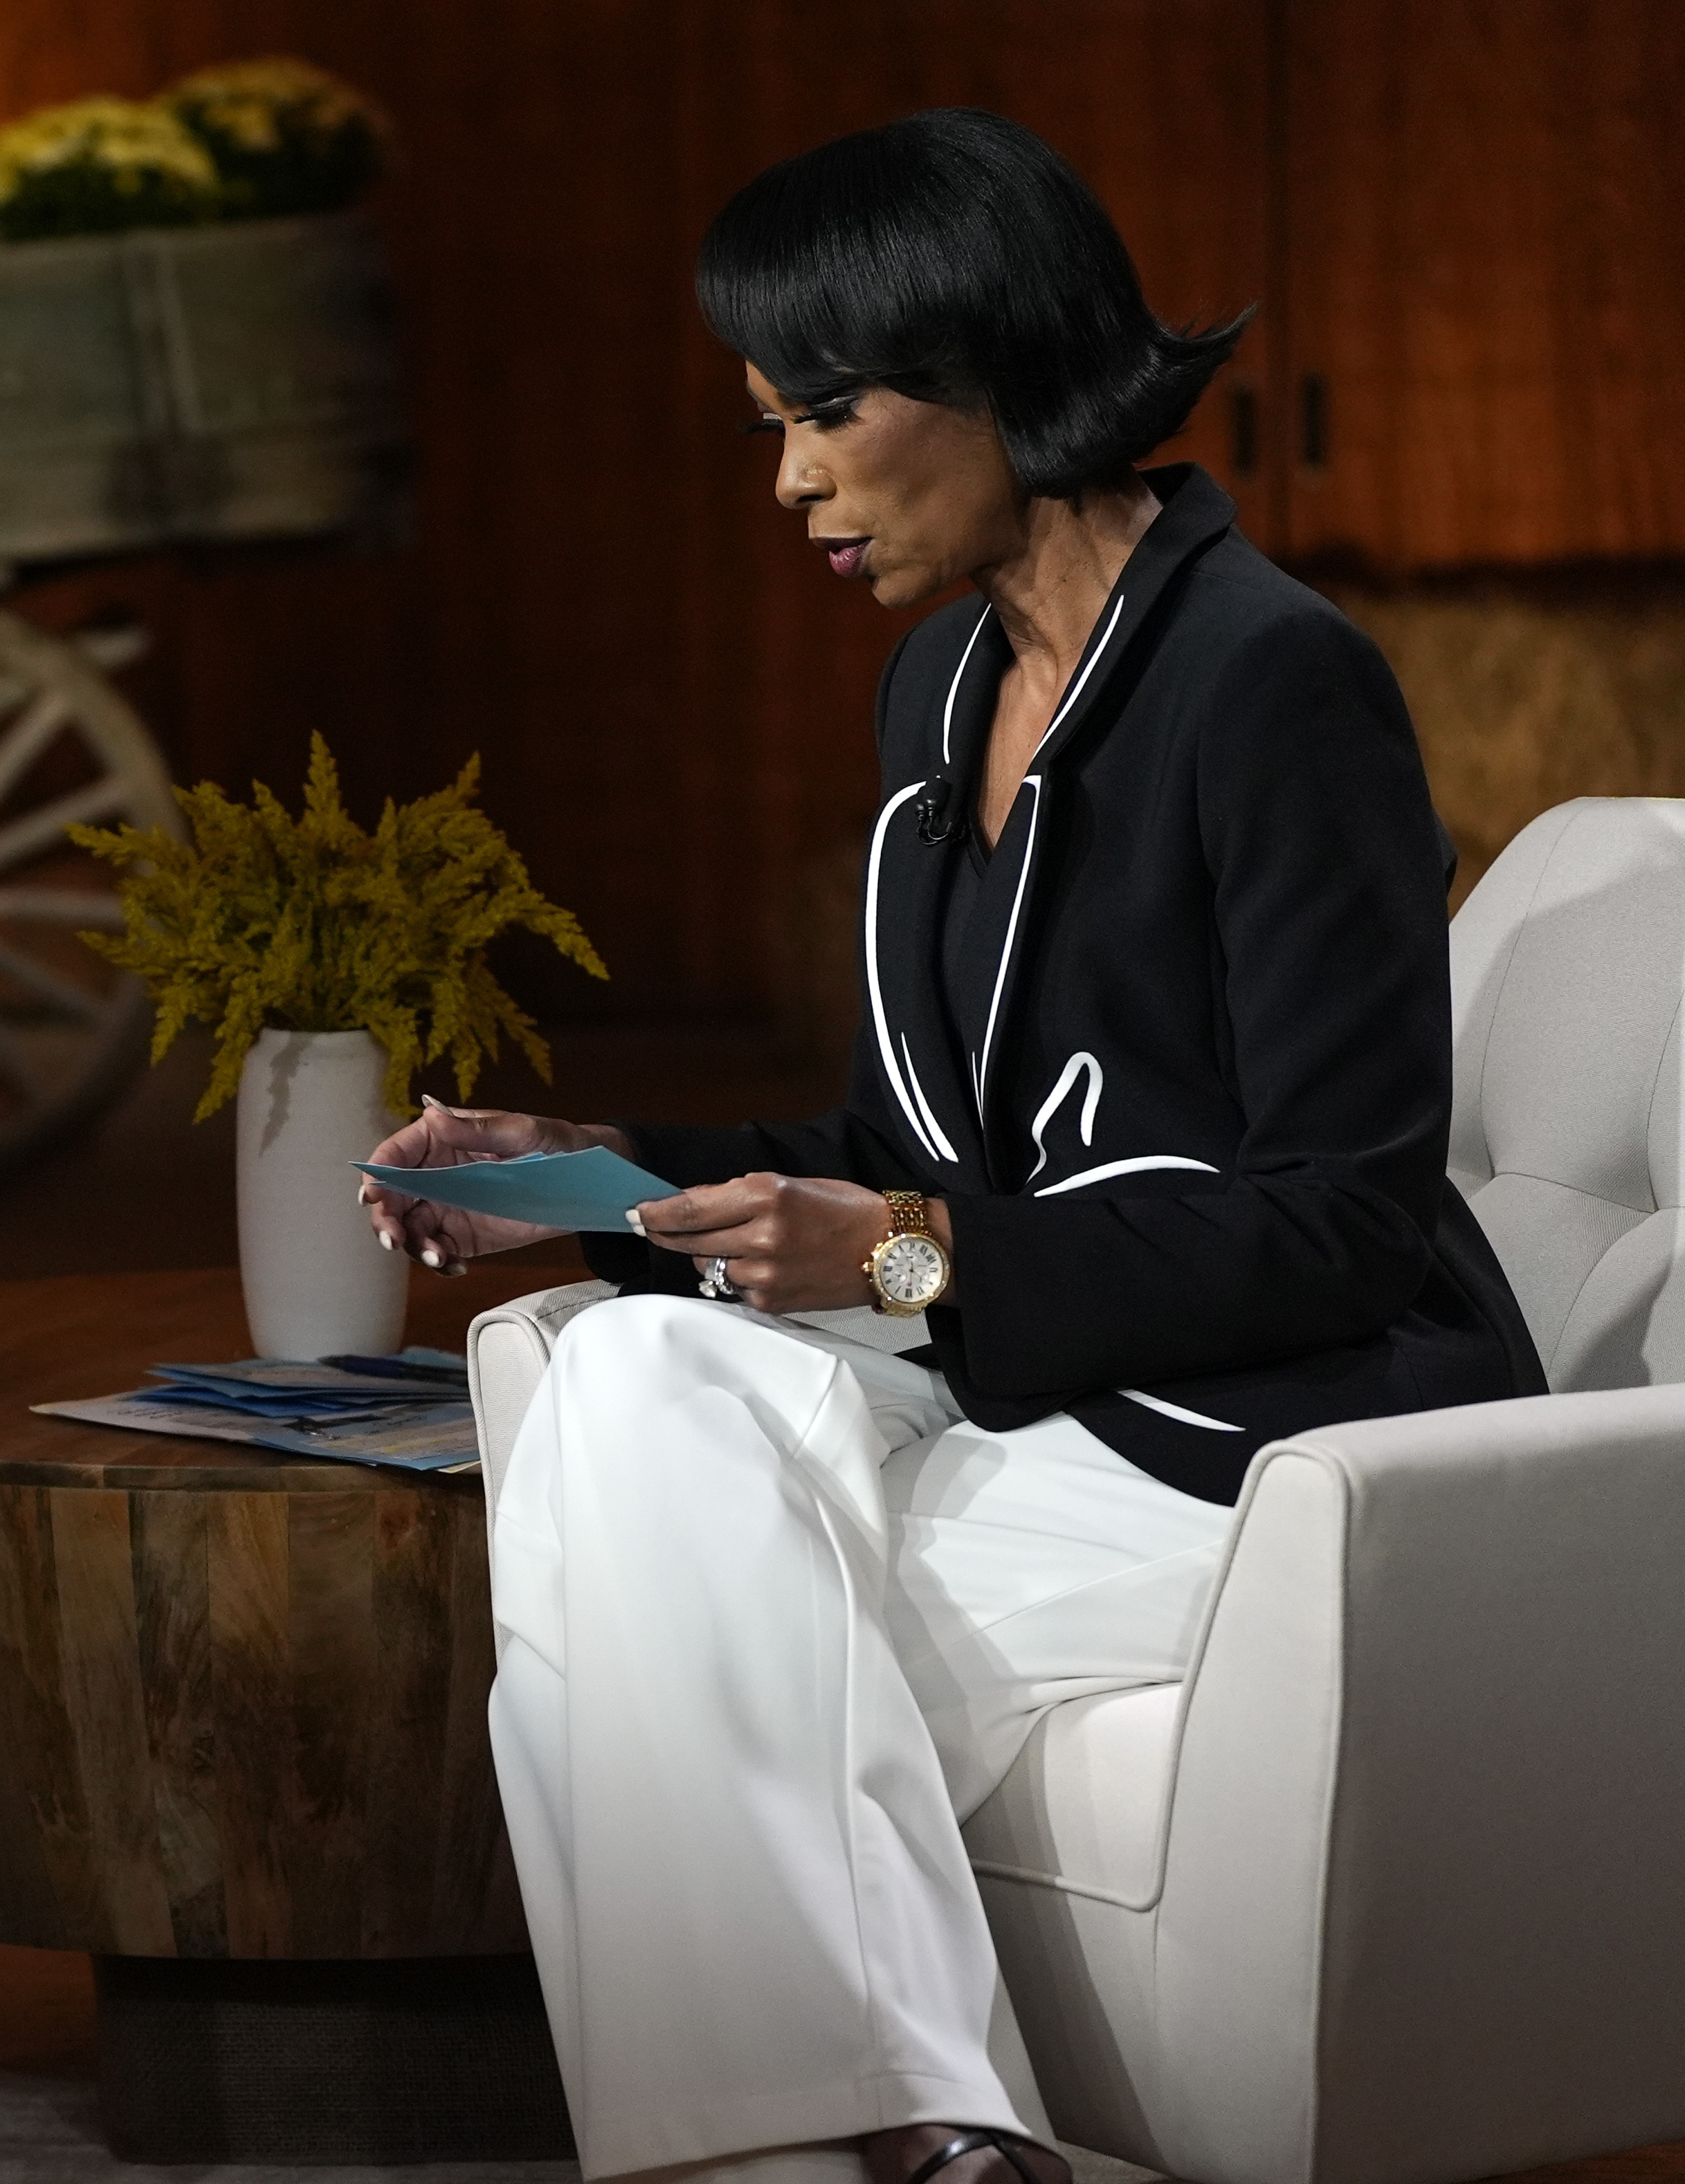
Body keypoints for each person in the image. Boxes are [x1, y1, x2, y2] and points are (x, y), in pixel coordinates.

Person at [359, 111, 1540, 2184]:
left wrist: (914, 1257)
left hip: (1267, 1421)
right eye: (769, 429)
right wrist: (595, 1158)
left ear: (1002, 369)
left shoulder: (1275, 684)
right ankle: (924, 2130)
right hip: (1021, 1368)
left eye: (828, 413)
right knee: (625, 1386)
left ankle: (874, 2141)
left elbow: (1343, 1223)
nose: (792, 481)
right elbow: (903, 1140)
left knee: (629, 1626)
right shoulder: (939, 683)